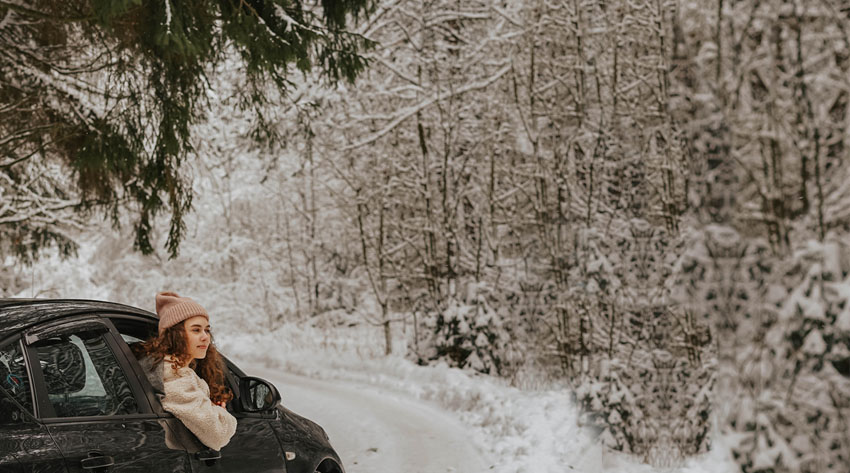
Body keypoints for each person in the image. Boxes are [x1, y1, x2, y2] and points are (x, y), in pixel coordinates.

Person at [132, 292, 237, 452]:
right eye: (196, 330)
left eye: (207, 330)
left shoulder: (172, 369)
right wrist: (220, 412)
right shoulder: (173, 376)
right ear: (176, 335)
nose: (205, 338)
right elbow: (218, 435)